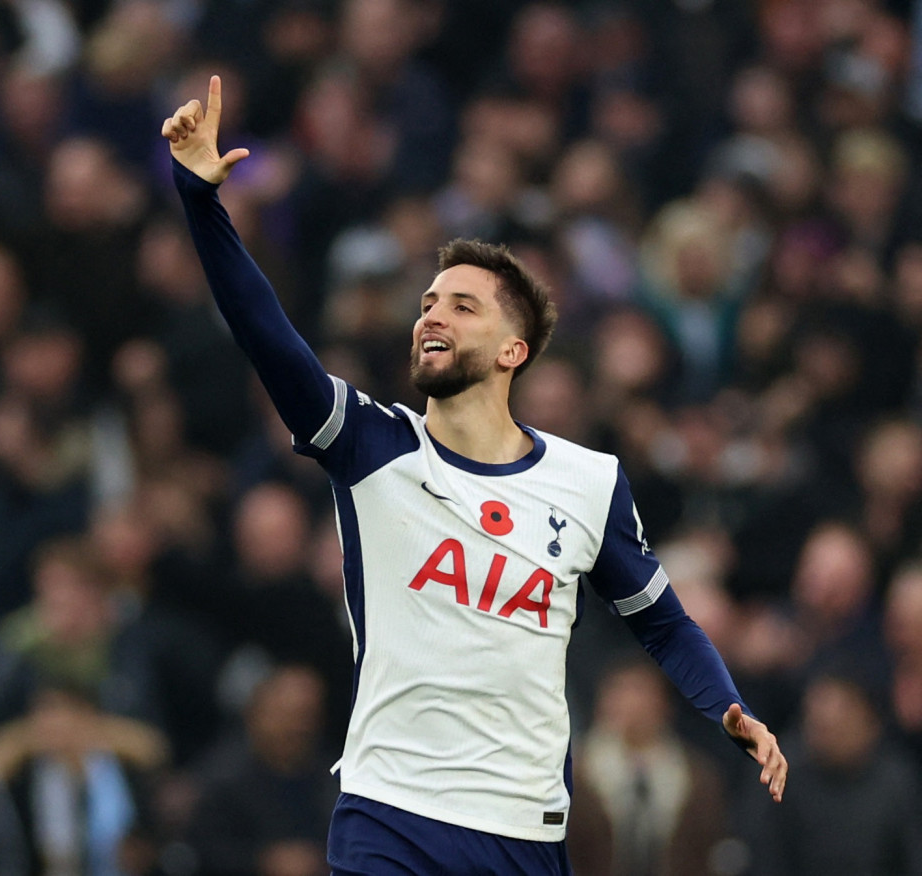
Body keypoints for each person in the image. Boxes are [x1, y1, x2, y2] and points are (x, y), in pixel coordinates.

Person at [161, 76, 787, 874]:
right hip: (391, 812)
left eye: (462, 305)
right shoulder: (373, 445)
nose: (431, 313)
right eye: (428, 300)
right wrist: (201, 202)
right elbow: (264, 331)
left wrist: (727, 706)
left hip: (522, 830)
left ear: (511, 351)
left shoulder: (589, 482)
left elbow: (661, 621)